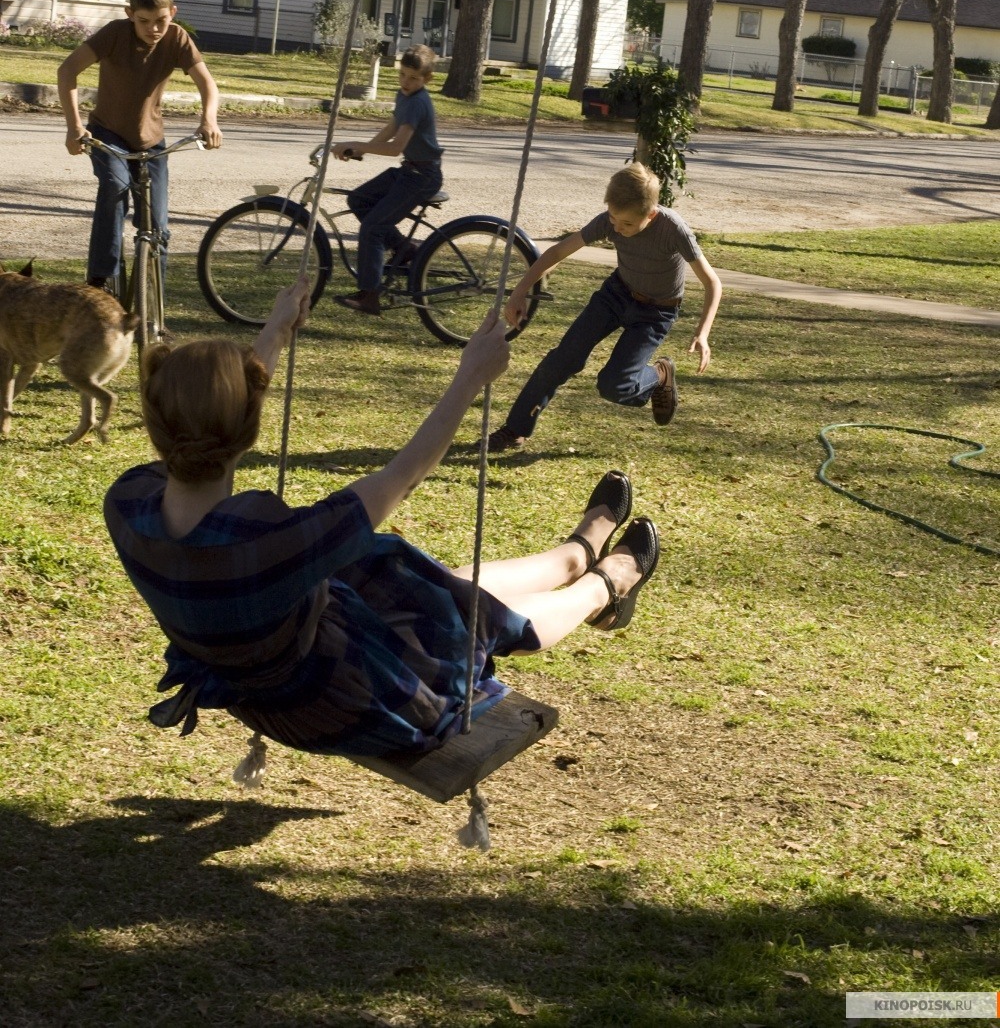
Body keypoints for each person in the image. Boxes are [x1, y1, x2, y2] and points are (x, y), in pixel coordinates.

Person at [102, 280, 660, 759]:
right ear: (249, 428)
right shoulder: (269, 544)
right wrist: (470, 377)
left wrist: (274, 334)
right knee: (466, 623)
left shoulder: (128, 501)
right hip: (337, 698)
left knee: (431, 586)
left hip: (268, 668)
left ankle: (573, 555)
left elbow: (212, 424)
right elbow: (404, 475)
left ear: (157, 425)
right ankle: (602, 587)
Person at [488, 162, 723, 452]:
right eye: (613, 218)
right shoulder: (610, 221)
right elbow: (558, 251)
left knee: (614, 386)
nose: (617, 229)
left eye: (627, 224)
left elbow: (712, 283)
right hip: (616, 295)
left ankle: (661, 374)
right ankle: (515, 429)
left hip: (655, 313)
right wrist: (520, 291)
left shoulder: (674, 229)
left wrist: (702, 333)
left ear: (650, 214)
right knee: (562, 359)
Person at [57, 0, 222, 290]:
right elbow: (67, 71)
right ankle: (100, 280)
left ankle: (152, 304)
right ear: (130, 13)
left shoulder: (177, 38)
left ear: (173, 12)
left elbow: (207, 84)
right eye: (144, 21)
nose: (154, 29)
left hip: (151, 142)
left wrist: (209, 121)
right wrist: (74, 127)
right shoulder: (114, 34)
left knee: (157, 226)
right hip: (107, 134)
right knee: (115, 186)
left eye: (161, 20)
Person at [329, 44, 442, 316]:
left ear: (427, 79)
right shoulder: (404, 96)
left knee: (373, 227)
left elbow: (395, 147)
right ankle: (404, 249)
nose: (406, 82)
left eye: (413, 78)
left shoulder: (418, 102)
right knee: (359, 200)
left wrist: (358, 144)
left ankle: (370, 295)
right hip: (409, 171)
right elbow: (392, 127)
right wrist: (361, 149)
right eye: (402, 74)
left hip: (422, 176)